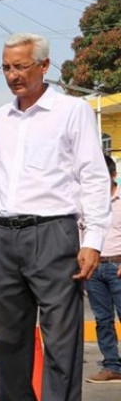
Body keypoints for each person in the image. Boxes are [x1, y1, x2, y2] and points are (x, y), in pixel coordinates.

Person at [0, 32, 110, 401]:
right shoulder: (0, 118)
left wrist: (92, 240)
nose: (13, 75)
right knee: (7, 339)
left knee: (60, 340)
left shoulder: (71, 111)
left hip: (55, 233)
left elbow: (92, 176)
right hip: (6, 235)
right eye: (6, 67)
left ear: (44, 66)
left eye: (21, 66)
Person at [85, 153, 121, 384]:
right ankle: (112, 366)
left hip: (118, 267)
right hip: (95, 270)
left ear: (113, 175)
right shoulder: (88, 204)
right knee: (103, 320)